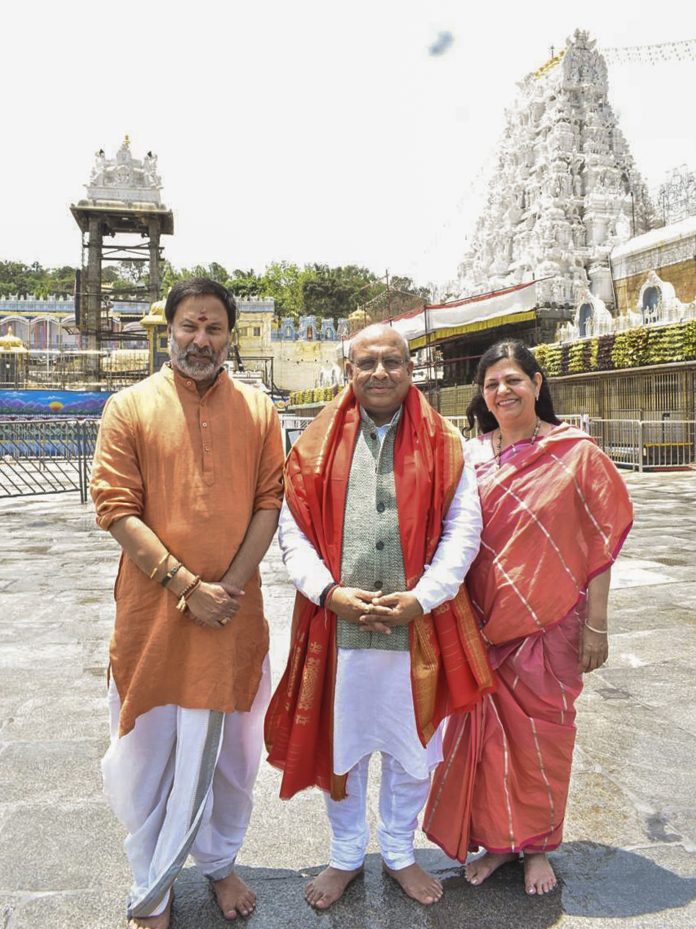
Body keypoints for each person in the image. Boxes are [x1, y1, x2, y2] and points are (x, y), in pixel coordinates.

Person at [265, 324, 494, 910]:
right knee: (343, 743)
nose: (380, 373)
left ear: (410, 369)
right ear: (349, 371)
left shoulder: (445, 443)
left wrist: (426, 595)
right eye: (367, 363)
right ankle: (345, 855)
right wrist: (328, 592)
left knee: (411, 745)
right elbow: (291, 531)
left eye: (393, 361)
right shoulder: (313, 445)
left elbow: (464, 528)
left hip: (420, 624)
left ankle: (396, 851)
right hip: (336, 624)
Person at [90, 278, 284, 929]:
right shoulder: (129, 407)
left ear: (230, 335)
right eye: (190, 326)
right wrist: (186, 586)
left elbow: (269, 501)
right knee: (150, 748)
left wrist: (225, 585)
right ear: (170, 329)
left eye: (214, 328)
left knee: (231, 752)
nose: (201, 339)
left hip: (232, 613)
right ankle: (154, 878)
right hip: (155, 618)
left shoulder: (258, 410)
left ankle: (220, 862)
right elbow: (115, 507)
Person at [423, 339, 633, 896]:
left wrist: (597, 623)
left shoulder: (575, 453)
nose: (502, 390)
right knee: (486, 738)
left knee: (543, 736)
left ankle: (537, 844)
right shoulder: (470, 456)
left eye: (513, 379)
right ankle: (497, 844)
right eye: (491, 384)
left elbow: (599, 539)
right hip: (480, 623)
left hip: (553, 623)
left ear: (538, 384)